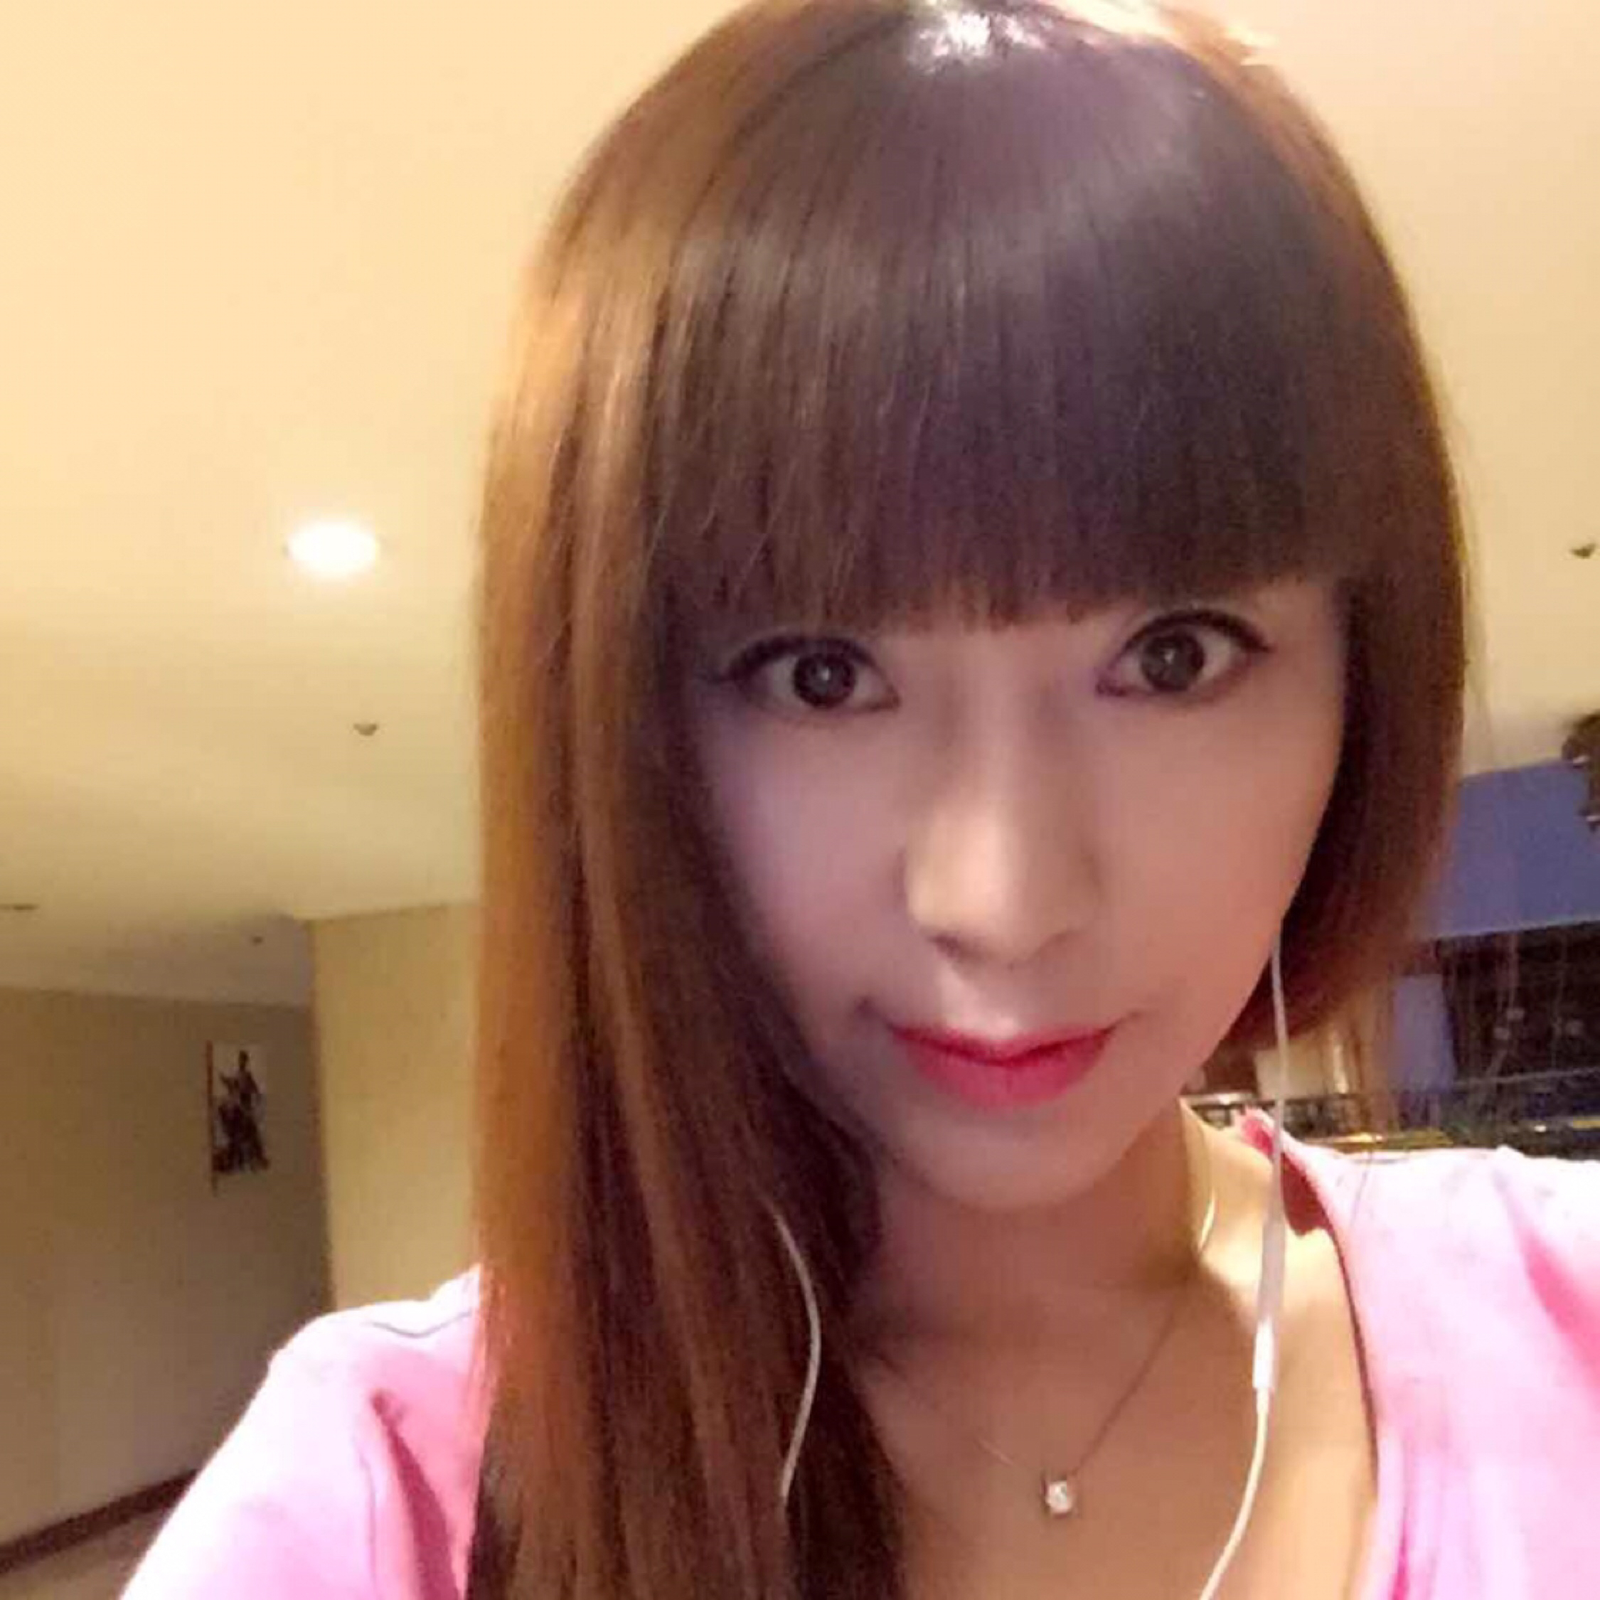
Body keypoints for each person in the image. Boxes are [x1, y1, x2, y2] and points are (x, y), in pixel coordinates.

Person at [123, 3, 1600, 1597]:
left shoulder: (1562, 1328)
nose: (1005, 898)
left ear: (1364, 676)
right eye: (821, 675)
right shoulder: (386, 1500)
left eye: (1171, 656)